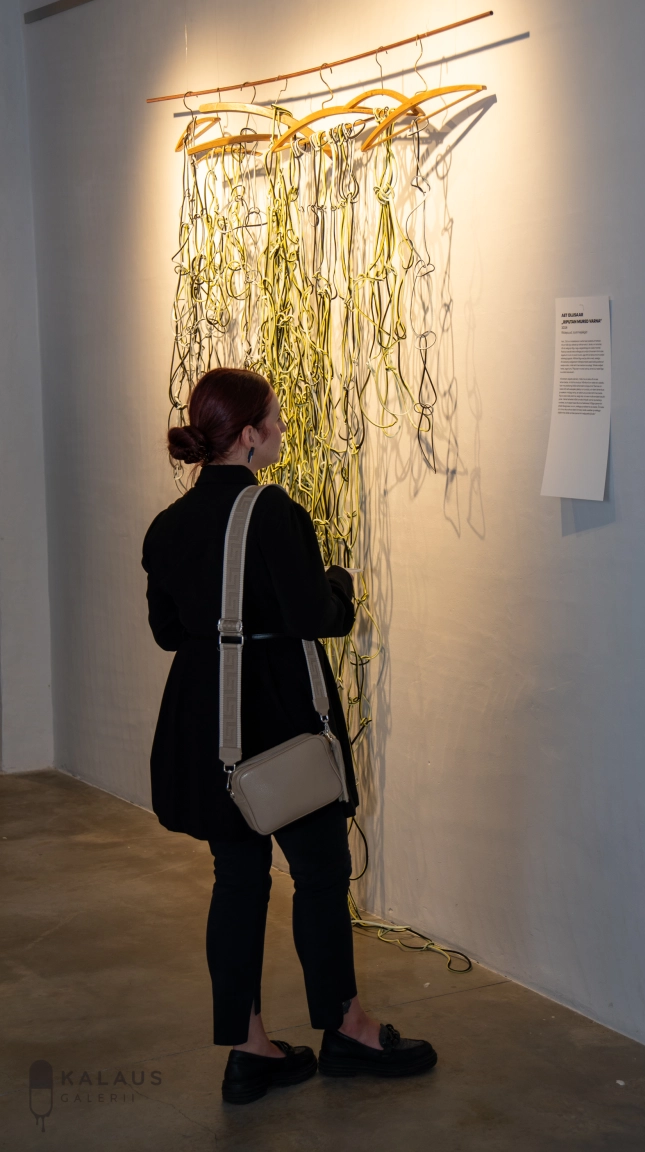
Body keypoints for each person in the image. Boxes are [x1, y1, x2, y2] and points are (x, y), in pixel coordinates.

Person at [142, 367, 436, 1104]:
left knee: (237, 878)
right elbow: (316, 616)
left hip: (207, 725)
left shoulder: (167, 527)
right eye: (273, 419)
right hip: (277, 720)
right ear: (247, 436)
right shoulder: (272, 512)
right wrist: (339, 584)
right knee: (320, 873)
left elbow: (168, 631)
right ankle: (348, 1028)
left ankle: (250, 1052)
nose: (280, 428)